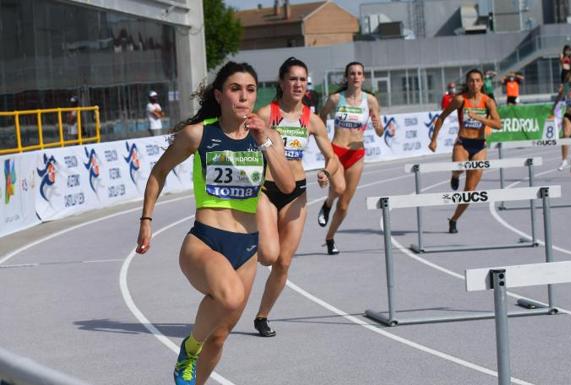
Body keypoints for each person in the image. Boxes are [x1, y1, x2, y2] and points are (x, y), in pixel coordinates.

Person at [135, 61, 294, 385]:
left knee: (220, 337)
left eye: (250, 90)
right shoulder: (199, 134)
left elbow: (288, 186)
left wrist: (264, 140)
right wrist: (147, 220)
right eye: (235, 89)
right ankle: (189, 349)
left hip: (246, 247)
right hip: (205, 240)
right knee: (231, 297)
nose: (244, 96)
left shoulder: (267, 137)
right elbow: (158, 172)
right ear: (220, 96)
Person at [252, 57, 344, 337]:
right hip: (267, 190)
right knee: (268, 256)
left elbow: (332, 157)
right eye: (293, 78)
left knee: (284, 262)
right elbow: (246, 143)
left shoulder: (312, 120)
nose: (298, 84)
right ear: (281, 83)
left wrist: (327, 173)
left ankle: (262, 316)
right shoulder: (267, 113)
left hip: (296, 192)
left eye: (302, 79)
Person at [317, 61, 385, 255]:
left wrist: (378, 125)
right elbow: (321, 117)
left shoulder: (370, 101)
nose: (356, 76)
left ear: (363, 78)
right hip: (336, 151)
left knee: (345, 204)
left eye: (359, 73)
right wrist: (323, 141)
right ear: (347, 77)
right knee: (338, 188)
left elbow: (379, 132)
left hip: (356, 153)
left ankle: (330, 238)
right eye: (352, 73)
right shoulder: (336, 98)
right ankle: (327, 204)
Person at [428, 69, 502, 233]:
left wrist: (480, 118)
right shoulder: (460, 99)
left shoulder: (488, 102)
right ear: (467, 83)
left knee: (469, 191)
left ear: (482, 83)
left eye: (477, 80)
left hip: (479, 145)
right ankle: (455, 175)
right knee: (460, 167)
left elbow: (498, 124)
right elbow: (441, 117)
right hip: (462, 143)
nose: (474, 84)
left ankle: (454, 219)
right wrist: (433, 140)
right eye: (471, 81)